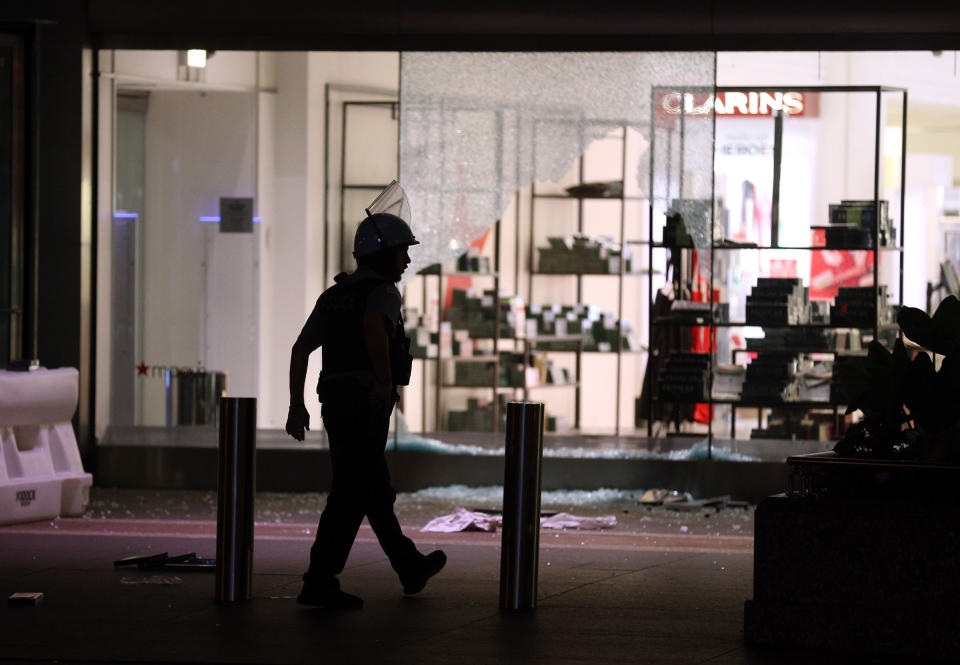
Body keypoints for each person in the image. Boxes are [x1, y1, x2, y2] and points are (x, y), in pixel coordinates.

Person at [285, 212, 446, 610]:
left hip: (335, 404)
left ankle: (409, 567)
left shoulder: (334, 295)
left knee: (373, 490)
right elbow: (376, 328)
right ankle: (319, 581)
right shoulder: (384, 293)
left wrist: (296, 404)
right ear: (382, 253)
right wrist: (384, 380)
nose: (406, 260)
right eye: (402, 252)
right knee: (350, 494)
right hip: (365, 406)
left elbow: (301, 349)